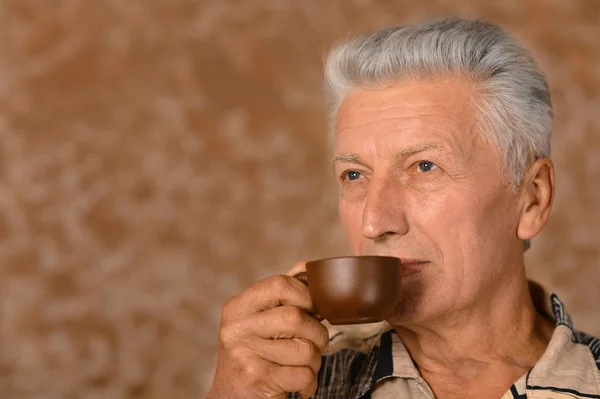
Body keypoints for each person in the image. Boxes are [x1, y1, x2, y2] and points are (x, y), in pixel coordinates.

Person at [207, 18, 600, 399]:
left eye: (424, 167)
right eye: (355, 175)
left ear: (532, 197)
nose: (374, 223)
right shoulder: (283, 379)